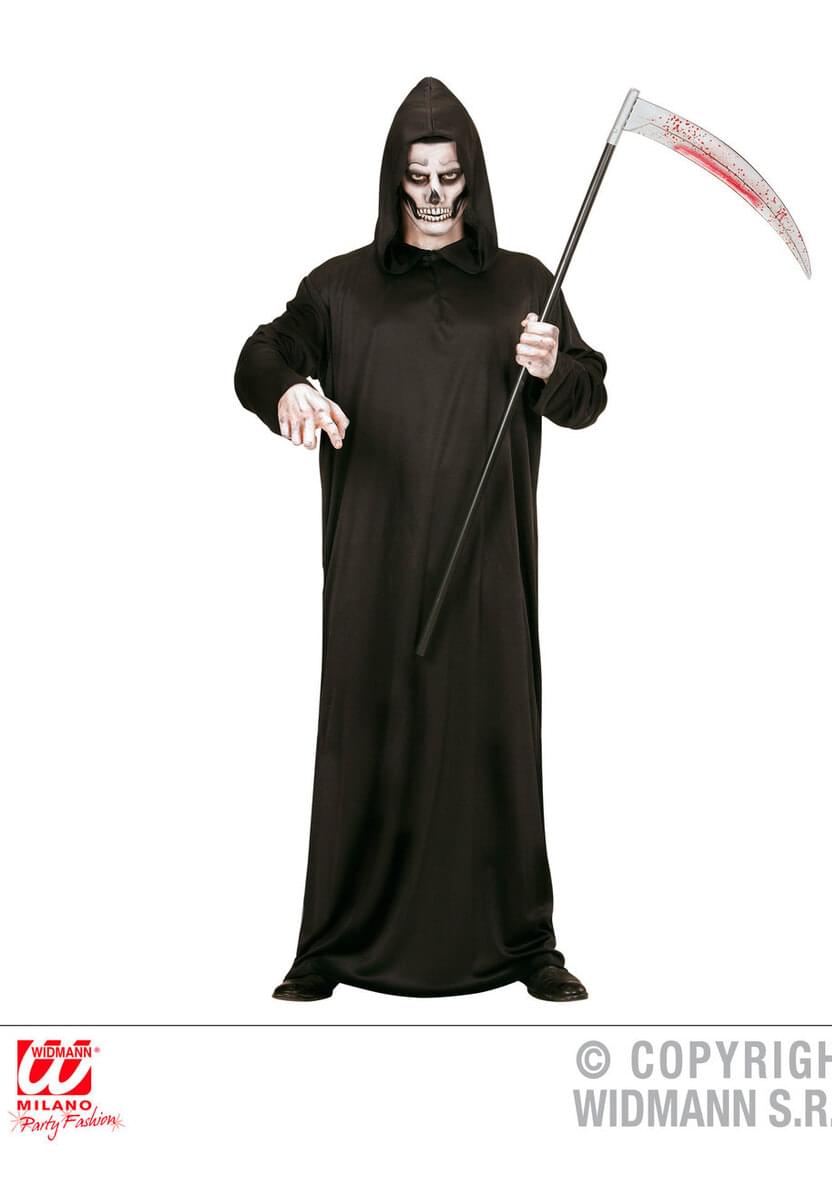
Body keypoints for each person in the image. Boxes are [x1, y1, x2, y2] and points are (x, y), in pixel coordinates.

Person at [234, 77, 608, 1002]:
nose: (434, 194)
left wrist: (553, 365)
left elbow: (588, 396)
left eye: (449, 175)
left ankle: (526, 943)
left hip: (488, 570)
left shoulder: (524, 285)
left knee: (496, 742)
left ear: (471, 176)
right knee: (365, 737)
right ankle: (328, 946)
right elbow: (260, 354)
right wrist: (290, 390)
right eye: (417, 176)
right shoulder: (339, 288)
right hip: (375, 564)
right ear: (393, 179)